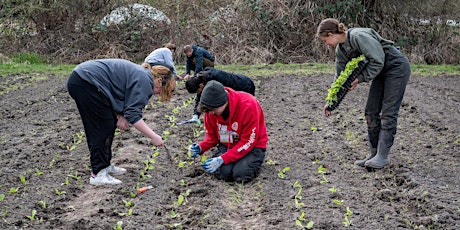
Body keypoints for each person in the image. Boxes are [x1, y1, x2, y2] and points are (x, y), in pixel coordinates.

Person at [316, 18, 411, 169]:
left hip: (396, 67)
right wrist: (331, 102)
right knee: (371, 111)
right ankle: (373, 154)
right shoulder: (341, 50)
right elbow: (340, 77)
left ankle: (382, 156)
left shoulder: (358, 36)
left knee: (388, 112)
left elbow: (378, 60)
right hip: (381, 72)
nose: (326, 44)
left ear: (331, 33)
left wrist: (359, 79)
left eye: (325, 40)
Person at [67, 59, 176, 186]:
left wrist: (121, 116)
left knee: (109, 124)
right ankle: (98, 173)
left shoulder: (143, 75)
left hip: (86, 80)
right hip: (85, 82)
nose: (157, 94)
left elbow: (121, 97)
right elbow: (133, 114)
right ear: (159, 81)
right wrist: (154, 136)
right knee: (101, 127)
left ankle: (105, 166)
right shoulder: (145, 81)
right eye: (160, 91)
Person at [188, 80, 268, 183]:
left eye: (213, 109)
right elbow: (212, 137)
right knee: (223, 174)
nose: (211, 113)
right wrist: (200, 147)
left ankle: (253, 161)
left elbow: (248, 141)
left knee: (240, 175)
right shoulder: (210, 110)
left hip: (252, 146)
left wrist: (222, 159)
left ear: (223, 102)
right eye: (208, 110)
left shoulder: (248, 105)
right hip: (228, 143)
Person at [181, 67, 255, 124]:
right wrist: (195, 115)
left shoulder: (216, 80)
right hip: (240, 84)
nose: (198, 93)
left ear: (200, 86)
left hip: (245, 85)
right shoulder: (202, 80)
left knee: (245, 110)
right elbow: (201, 98)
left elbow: (228, 98)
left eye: (197, 91)